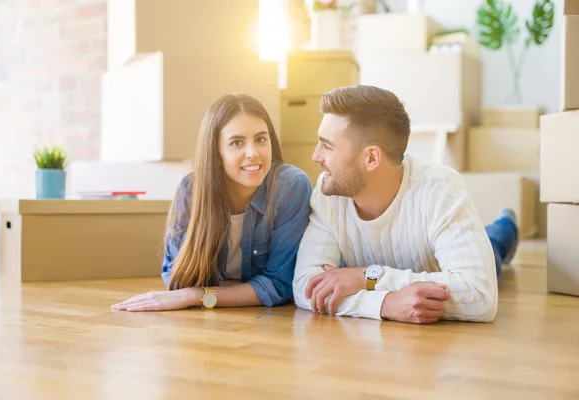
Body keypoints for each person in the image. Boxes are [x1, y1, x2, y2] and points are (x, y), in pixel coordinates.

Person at [292, 85, 518, 324]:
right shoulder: (329, 192)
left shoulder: (441, 188)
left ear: (371, 158)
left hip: (447, 263)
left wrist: (367, 277)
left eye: (327, 146)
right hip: (434, 275)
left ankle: (507, 223)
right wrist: (386, 304)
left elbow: (479, 295)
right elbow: (306, 287)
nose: (315, 156)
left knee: (494, 244)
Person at [112, 94, 312, 312]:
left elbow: (279, 285)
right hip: (206, 324)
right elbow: (176, 277)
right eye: (237, 143)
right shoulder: (191, 190)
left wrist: (197, 295)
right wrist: (242, 290)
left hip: (274, 323)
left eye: (261, 139)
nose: (253, 153)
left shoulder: (291, 186)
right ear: (215, 151)